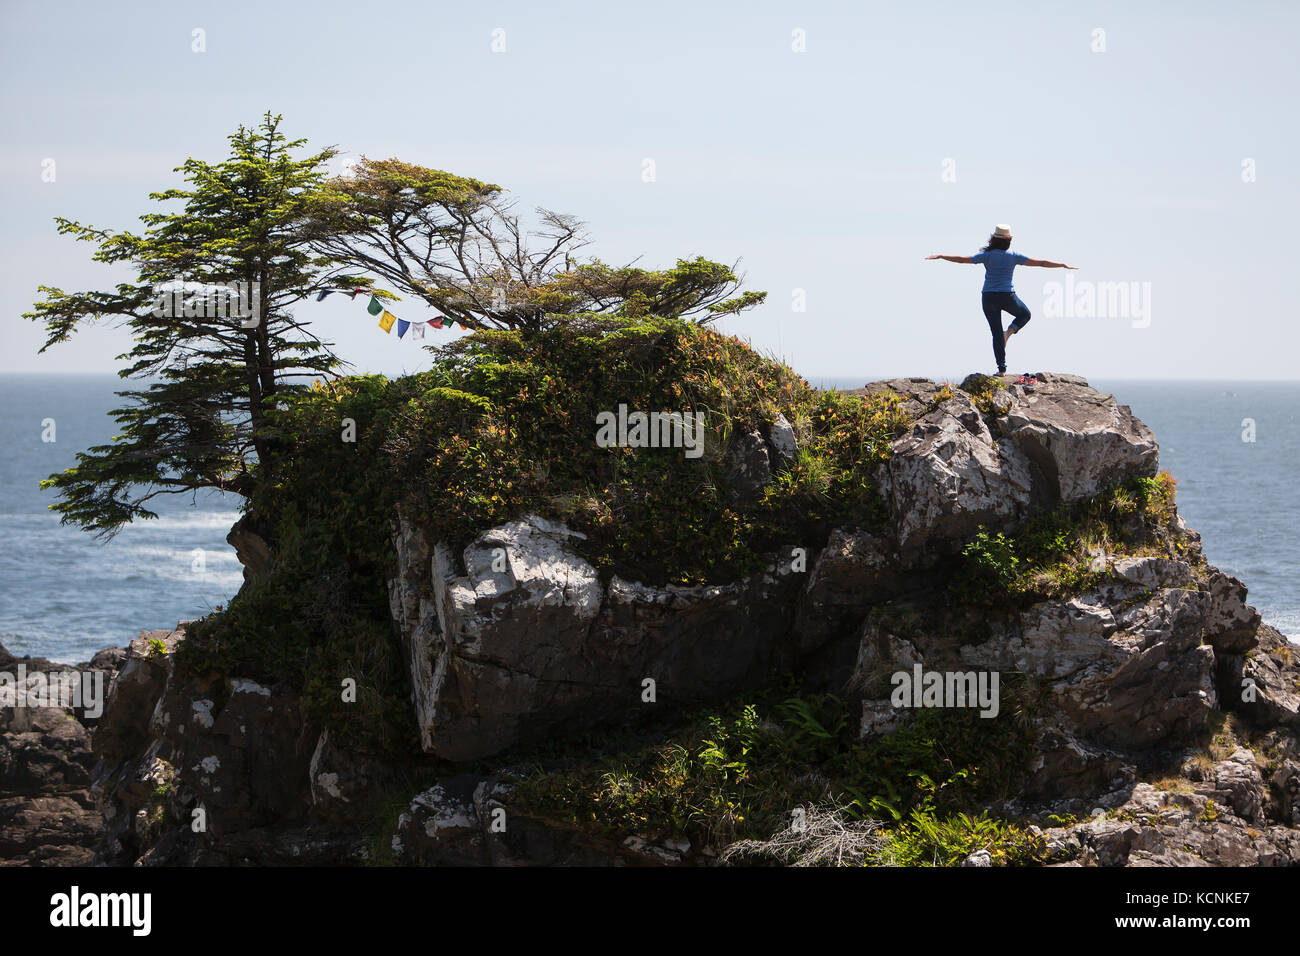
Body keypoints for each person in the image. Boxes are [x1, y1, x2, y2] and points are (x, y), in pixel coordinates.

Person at [926, 224, 1077, 375]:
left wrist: (941, 256)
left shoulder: (987, 255)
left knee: (996, 334)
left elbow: (961, 260)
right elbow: (1041, 263)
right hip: (1007, 296)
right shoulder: (1013, 255)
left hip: (988, 297)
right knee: (1025, 314)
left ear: (994, 239)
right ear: (1009, 240)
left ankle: (1002, 370)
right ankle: (1008, 333)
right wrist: (1062, 265)